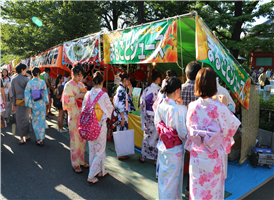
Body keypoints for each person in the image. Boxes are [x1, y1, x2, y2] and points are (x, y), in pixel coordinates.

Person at [184, 68, 241, 200]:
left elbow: (188, 128)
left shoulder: (192, 106)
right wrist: (225, 105)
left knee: (197, 191)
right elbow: (231, 129)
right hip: (213, 158)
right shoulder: (219, 108)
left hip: (197, 156)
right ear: (214, 85)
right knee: (213, 194)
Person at [154, 77, 187, 200]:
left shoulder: (160, 105)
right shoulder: (179, 109)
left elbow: (157, 123)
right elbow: (183, 132)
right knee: (172, 182)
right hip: (175, 149)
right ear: (178, 90)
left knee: (164, 179)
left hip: (163, 145)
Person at [82, 71, 114, 184]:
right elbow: (109, 109)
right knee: (100, 150)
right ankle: (91, 176)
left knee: (92, 150)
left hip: (89, 125)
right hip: (100, 126)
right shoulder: (104, 95)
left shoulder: (87, 94)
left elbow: (83, 109)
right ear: (102, 82)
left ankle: (100, 171)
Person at [62, 64, 89, 173]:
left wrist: (85, 96)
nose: (80, 78)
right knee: (74, 141)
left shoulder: (81, 84)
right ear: (73, 74)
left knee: (82, 140)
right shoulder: (68, 85)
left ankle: (81, 161)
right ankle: (75, 163)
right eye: (78, 75)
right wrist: (78, 96)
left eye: (81, 76)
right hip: (73, 116)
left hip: (82, 117)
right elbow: (65, 102)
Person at [139, 69, 162, 164]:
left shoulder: (147, 90)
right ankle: (155, 159)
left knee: (147, 135)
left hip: (148, 114)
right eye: (160, 79)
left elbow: (142, 102)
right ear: (157, 79)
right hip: (157, 115)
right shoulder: (161, 91)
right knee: (156, 136)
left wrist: (144, 113)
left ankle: (143, 156)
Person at [113, 72, 135, 160]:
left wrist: (130, 89)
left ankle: (121, 152)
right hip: (122, 115)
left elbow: (128, 101)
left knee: (122, 133)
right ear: (125, 80)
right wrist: (122, 118)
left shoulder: (122, 89)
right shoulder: (121, 90)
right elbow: (121, 105)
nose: (129, 82)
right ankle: (120, 153)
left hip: (123, 115)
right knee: (121, 133)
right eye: (128, 80)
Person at [24, 68, 49, 146]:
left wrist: (29, 106)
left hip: (34, 104)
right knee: (41, 121)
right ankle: (41, 139)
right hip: (41, 104)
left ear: (32, 74)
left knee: (35, 121)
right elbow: (45, 94)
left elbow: (27, 95)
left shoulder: (29, 83)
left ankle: (37, 138)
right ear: (38, 73)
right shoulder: (42, 82)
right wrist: (46, 102)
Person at [9, 63, 30, 145]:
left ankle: (21, 138)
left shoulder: (13, 80)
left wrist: (12, 104)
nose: (26, 71)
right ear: (22, 70)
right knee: (26, 119)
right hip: (26, 101)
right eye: (25, 69)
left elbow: (12, 93)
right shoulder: (27, 79)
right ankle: (27, 136)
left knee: (19, 120)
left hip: (18, 102)